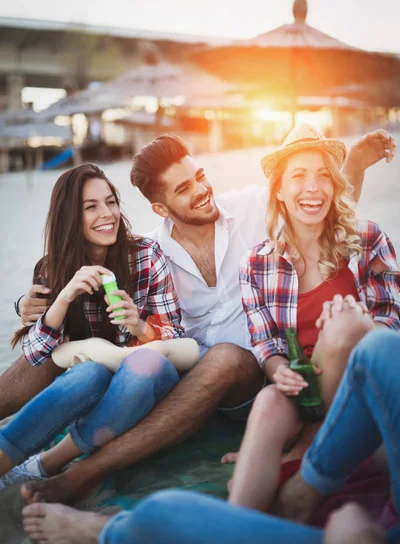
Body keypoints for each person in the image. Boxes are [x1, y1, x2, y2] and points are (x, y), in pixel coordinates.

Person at [5, 129, 397, 504]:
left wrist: (357, 162)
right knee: (56, 348)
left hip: (257, 367)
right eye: (183, 188)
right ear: (160, 208)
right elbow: (87, 267)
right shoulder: (151, 254)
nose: (201, 190)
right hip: (192, 379)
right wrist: (31, 303)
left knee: (223, 357)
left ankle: (83, 473)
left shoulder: (251, 206)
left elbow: (318, 204)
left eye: (199, 176)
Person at [22, 328, 400, 544]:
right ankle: (305, 489)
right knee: (378, 347)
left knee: (161, 511)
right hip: (275, 393)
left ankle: (101, 531)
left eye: (199, 180)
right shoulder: (157, 249)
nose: (200, 189)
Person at [223, 124, 400, 512]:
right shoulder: (256, 263)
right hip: (300, 395)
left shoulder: (368, 239)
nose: (313, 188)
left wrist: (356, 325)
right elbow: (265, 340)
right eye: (298, 176)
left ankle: (305, 453)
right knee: (268, 401)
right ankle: (239, 523)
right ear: (280, 192)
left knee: (343, 326)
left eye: (323, 176)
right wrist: (277, 369)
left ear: (336, 185)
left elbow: (391, 325)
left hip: (359, 394)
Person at [0, 163, 190, 490]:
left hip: (151, 378)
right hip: (95, 384)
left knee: (143, 363)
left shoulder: (146, 255)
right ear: (70, 217)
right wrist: (63, 298)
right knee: (89, 373)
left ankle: (48, 463)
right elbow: (35, 356)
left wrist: (141, 327)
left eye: (111, 202)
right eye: (91, 207)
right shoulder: (52, 271)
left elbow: (175, 335)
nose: (107, 214)